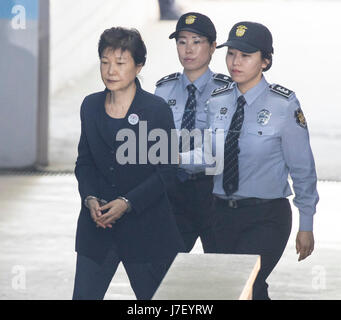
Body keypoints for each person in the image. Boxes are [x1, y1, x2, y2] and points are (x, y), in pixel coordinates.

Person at [206, 21, 319, 299]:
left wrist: (307, 224)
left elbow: (303, 169)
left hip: (265, 217)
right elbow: (206, 159)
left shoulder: (284, 106)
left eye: (246, 56)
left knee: (246, 281)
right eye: (231, 53)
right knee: (230, 291)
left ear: (265, 61)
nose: (235, 62)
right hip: (219, 216)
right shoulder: (216, 101)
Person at [72, 27, 185, 300]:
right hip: (97, 230)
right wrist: (89, 198)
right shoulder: (90, 106)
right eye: (105, 62)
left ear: (138, 66)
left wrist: (127, 202)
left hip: (146, 231)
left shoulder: (156, 110)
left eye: (120, 63)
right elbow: (84, 163)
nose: (111, 71)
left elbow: (168, 171)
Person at [155, 12, 233, 253]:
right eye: (181, 41)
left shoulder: (228, 91)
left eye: (196, 42)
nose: (188, 49)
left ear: (212, 47)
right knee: (165, 272)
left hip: (213, 192)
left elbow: (217, 149)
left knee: (223, 271)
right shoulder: (163, 90)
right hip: (173, 192)